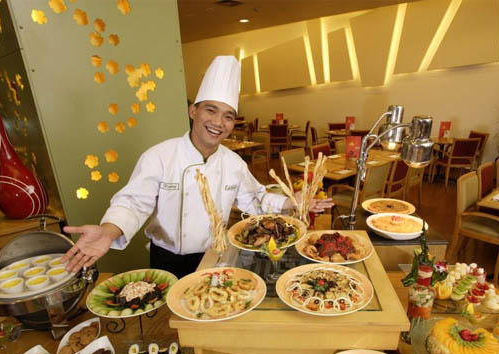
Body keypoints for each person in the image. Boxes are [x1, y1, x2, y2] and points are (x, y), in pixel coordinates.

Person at [61, 56, 333, 277]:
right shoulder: (160, 156)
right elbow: (133, 203)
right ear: (193, 111)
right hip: (167, 258)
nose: (218, 122)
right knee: (172, 318)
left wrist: (291, 202)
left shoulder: (233, 163)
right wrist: (109, 231)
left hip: (216, 253)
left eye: (228, 116)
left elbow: (255, 199)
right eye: (210, 110)